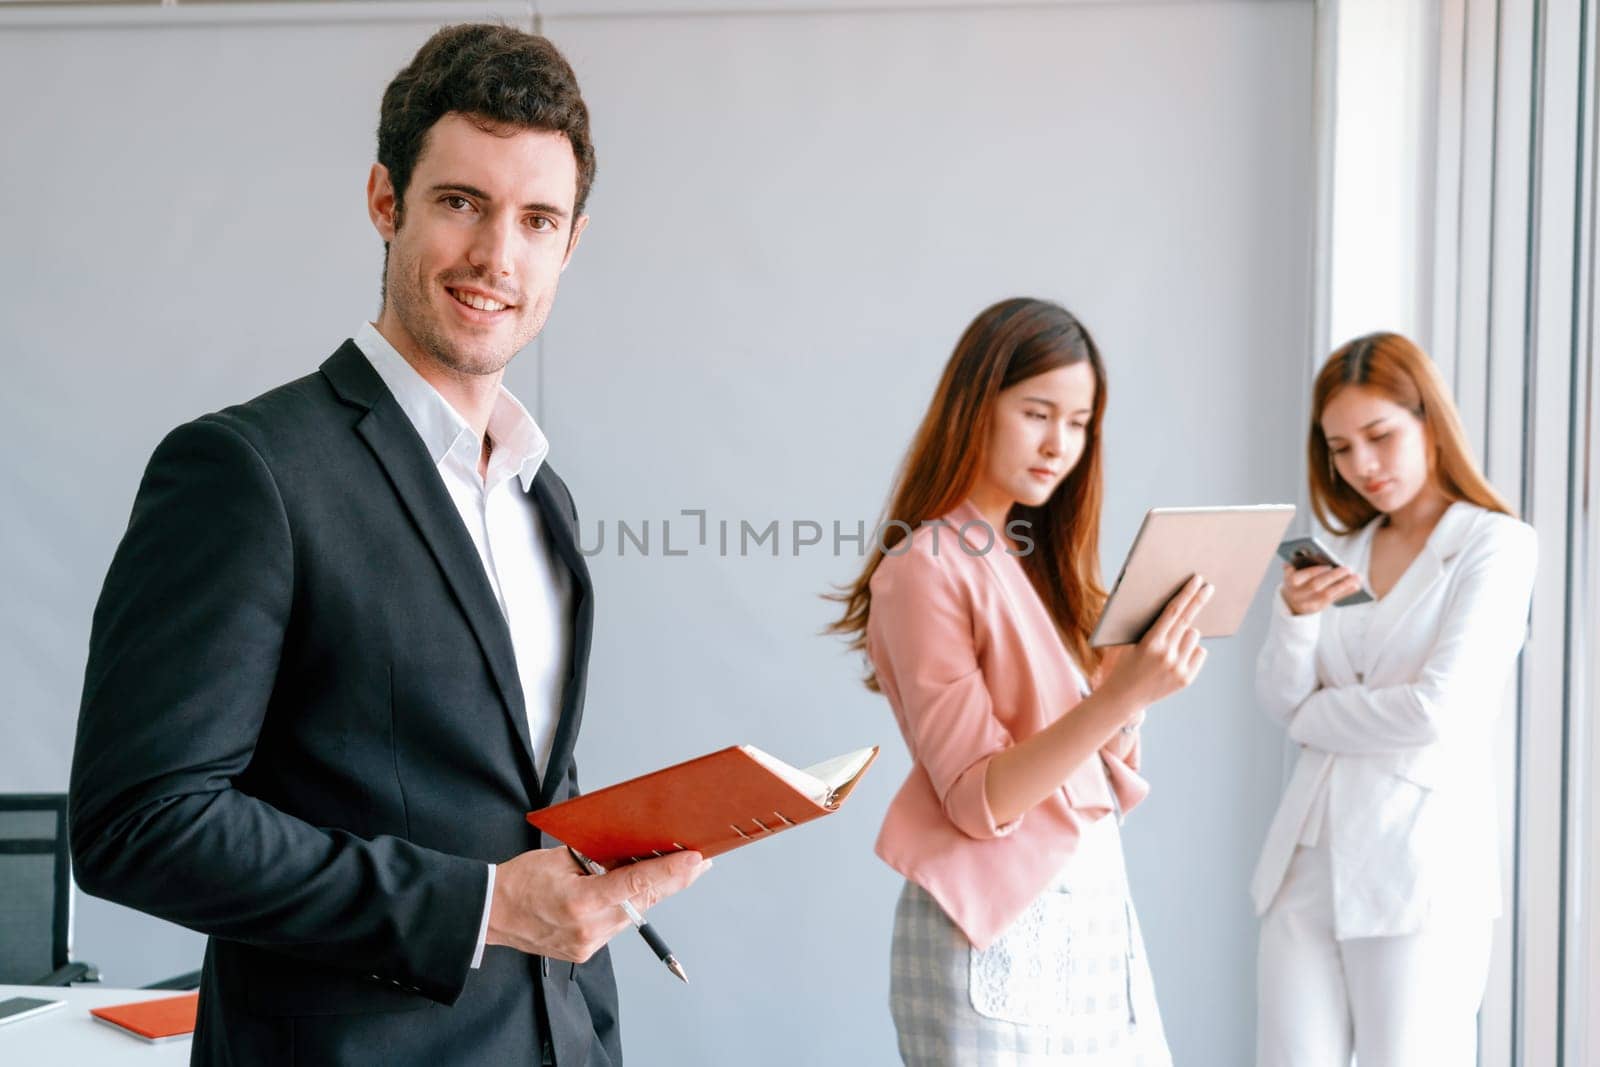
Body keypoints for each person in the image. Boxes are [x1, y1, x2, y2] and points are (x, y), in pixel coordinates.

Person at [67, 24, 707, 1067]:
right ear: (384, 200)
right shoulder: (247, 470)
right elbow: (140, 821)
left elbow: (517, 805)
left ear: (570, 243)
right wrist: (482, 905)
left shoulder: (545, 501)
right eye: (462, 202)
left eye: (536, 219)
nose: (498, 255)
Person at [829, 297, 1212, 1065]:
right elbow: (978, 797)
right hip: (999, 936)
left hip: (1094, 920)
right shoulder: (925, 565)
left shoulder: (1041, 563)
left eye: (1079, 423)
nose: (1058, 444)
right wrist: (1121, 696)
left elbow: (1086, 772)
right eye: (1038, 412)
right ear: (977, 404)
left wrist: (1126, 693)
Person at [1252, 332, 1538, 1067]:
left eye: (1379, 436)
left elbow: (1439, 710)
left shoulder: (1494, 545)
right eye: (1340, 447)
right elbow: (1278, 695)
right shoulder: (1337, 550)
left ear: (1429, 421)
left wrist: (1315, 717)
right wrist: (1293, 618)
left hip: (1418, 863)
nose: (1362, 466)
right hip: (1306, 859)